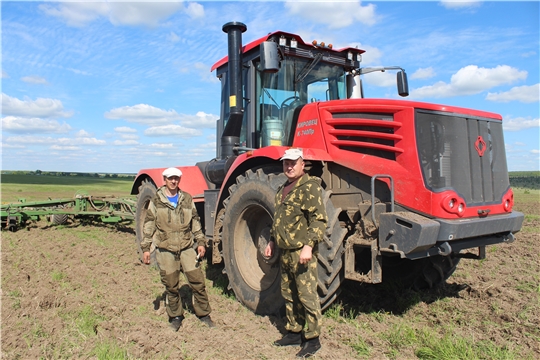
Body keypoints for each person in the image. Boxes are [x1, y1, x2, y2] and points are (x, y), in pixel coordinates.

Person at [265, 148, 328, 358]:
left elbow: (318, 219)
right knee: (289, 293)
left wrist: (309, 246)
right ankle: (293, 331)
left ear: (303, 164)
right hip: (285, 251)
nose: (289, 166)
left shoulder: (309, 187)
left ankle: (312, 339)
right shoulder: (282, 189)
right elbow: (278, 220)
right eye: (286, 163)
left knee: (306, 295)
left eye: (293, 163)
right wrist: (272, 241)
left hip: (302, 252)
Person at [141, 167, 214, 331]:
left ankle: (204, 314)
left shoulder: (187, 199)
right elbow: (149, 224)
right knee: (171, 285)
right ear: (164, 180)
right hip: (166, 248)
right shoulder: (157, 201)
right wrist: (146, 248)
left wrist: (200, 242)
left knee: (197, 281)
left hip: (187, 247)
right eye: (170, 178)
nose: (173, 181)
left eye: (176, 178)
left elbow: (195, 221)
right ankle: (175, 316)